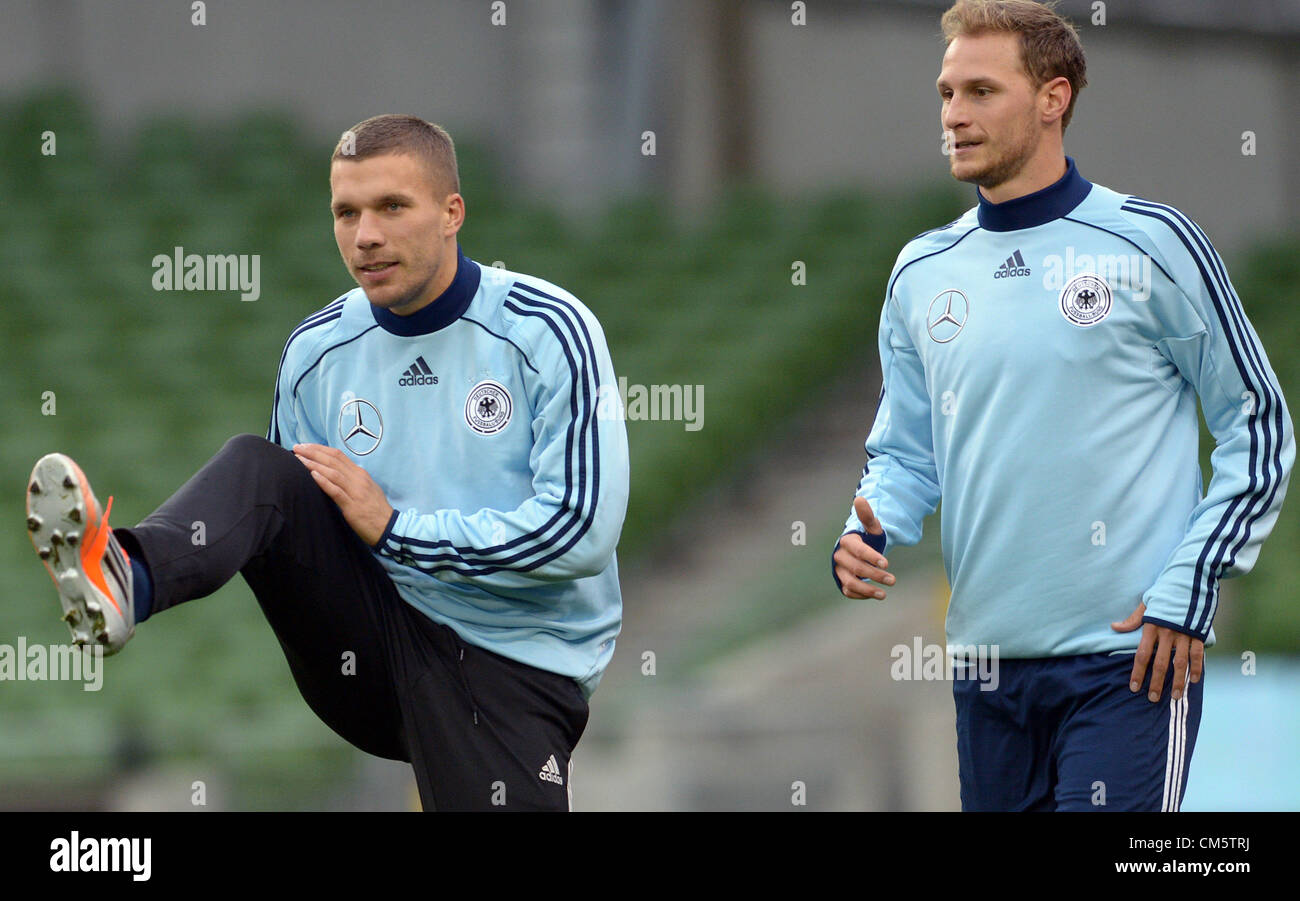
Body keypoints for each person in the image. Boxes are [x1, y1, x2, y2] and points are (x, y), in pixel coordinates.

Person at [25, 114, 630, 811]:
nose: (365, 234)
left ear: (451, 213)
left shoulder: (549, 329)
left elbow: (581, 530)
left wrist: (398, 529)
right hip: (370, 651)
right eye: (346, 211)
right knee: (261, 471)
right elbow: (292, 534)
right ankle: (127, 577)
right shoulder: (316, 351)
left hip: (511, 665)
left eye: (391, 207)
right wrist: (380, 543)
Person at [831, 0, 1293, 811]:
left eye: (980, 91)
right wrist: (866, 530)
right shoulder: (921, 270)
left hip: (1129, 661)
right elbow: (905, 452)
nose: (954, 116)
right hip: (986, 668)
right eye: (946, 94)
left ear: (1054, 98)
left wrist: (1194, 581)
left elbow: (1260, 423)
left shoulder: (1154, 244)